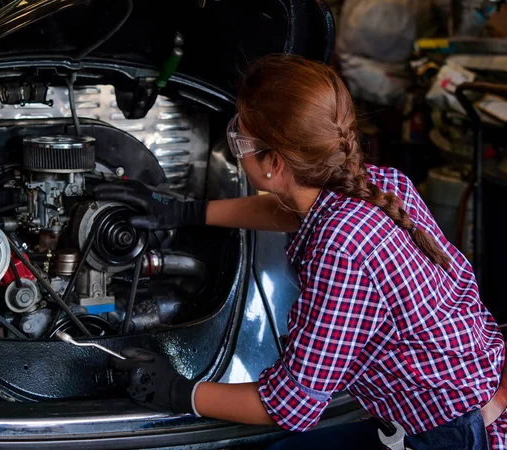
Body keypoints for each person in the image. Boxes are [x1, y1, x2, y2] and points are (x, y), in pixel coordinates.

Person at [97, 54, 507, 449]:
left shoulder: (341, 247)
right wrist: (181, 212)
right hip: (469, 393)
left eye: (239, 135)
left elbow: (293, 406)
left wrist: (177, 391)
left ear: (274, 162)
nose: (236, 143)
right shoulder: (382, 185)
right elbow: (291, 213)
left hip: (444, 433)